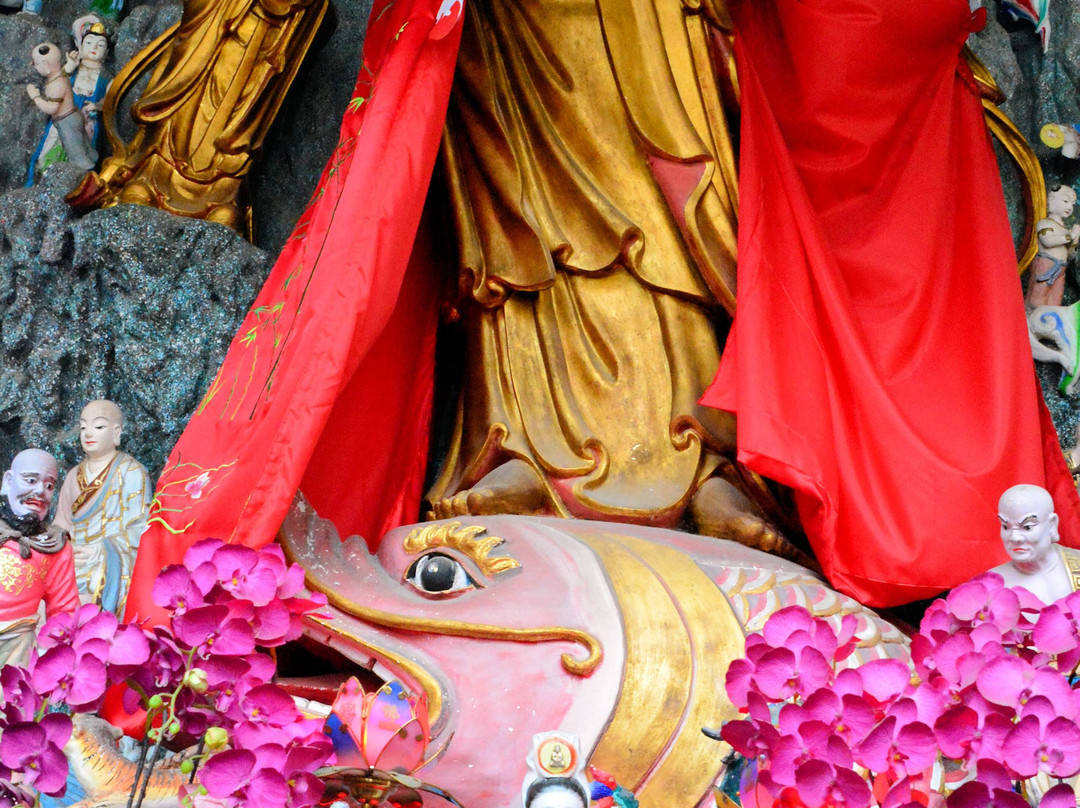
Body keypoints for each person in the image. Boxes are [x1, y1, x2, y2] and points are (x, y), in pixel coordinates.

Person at [52, 400, 150, 617]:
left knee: (85, 595)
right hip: (75, 557)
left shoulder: (132, 471)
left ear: (116, 432)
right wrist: (56, 547)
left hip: (108, 562)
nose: (88, 433)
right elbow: (61, 524)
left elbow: (140, 528)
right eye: (83, 426)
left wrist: (99, 550)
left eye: (98, 426)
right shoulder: (72, 476)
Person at [0, 449, 80, 666]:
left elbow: (64, 611)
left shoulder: (53, 545)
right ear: (8, 481)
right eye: (31, 480)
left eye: (49, 485)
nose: (39, 491)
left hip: (16, 654)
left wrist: (50, 658)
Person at [990, 483, 1080, 604]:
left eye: (1027, 527)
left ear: (1052, 524)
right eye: (1006, 527)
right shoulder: (990, 584)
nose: (1015, 537)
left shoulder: (1076, 562)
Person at [25, 41, 97, 184]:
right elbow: (66, 70)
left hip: (67, 122)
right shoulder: (60, 75)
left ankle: (85, 179)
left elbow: (51, 108)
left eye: (36, 64)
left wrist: (35, 96)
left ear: (46, 67)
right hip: (73, 117)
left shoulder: (56, 85)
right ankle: (93, 159)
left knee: (75, 152)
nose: (35, 66)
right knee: (83, 144)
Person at [1024, 184, 1080, 310]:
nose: (1069, 207)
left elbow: (1070, 255)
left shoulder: (1065, 229)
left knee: (1055, 299)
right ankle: (1033, 317)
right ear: (1051, 200)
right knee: (1037, 298)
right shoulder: (1045, 223)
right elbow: (1048, 241)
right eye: (1065, 201)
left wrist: (1074, 242)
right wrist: (1070, 236)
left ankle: (1049, 318)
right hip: (1046, 263)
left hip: (1061, 268)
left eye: (1072, 204)